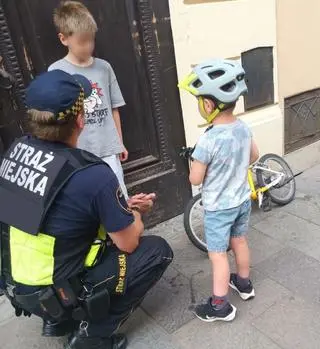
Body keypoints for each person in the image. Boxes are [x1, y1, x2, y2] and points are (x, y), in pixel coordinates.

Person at [0, 70, 173, 349]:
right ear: (80, 120)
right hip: (57, 288)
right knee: (156, 251)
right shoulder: (93, 174)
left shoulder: (17, 150)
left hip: (17, 286)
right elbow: (128, 243)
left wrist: (118, 209)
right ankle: (92, 336)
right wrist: (137, 214)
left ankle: (56, 317)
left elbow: (50, 213)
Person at [178, 59, 259, 322]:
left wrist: (194, 162)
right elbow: (254, 156)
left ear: (209, 105)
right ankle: (244, 284)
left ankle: (220, 306)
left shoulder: (208, 139)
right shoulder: (243, 128)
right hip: (241, 200)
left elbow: (195, 178)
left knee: (217, 255)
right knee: (240, 241)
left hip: (218, 208)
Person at [48, 1, 129, 198]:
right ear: (64, 39)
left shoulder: (104, 68)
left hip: (108, 147)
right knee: (87, 197)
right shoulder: (56, 71)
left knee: (117, 195)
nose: (88, 46)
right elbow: (55, 118)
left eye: (91, 40)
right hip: (78, 151)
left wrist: (119, 142)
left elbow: (114, 108)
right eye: (82, 42)